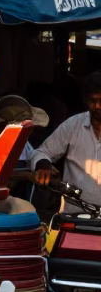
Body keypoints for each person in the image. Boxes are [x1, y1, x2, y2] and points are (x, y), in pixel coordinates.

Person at [32, 72, 101, 206]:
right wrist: (44, 165)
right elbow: (41, 153)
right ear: (86, 101)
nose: (97, 106)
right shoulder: (73, 125)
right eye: (93, 101)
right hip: (74, 216)